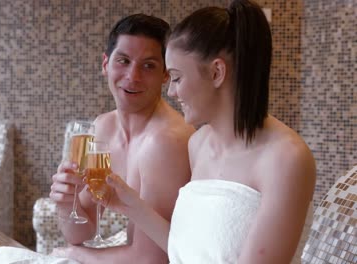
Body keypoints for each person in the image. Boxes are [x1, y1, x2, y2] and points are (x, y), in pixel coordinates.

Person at [97, 1, 316, 263]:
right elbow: (189, 251)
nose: (171, 92)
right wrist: (128, 204)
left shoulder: (285, 158)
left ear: (216, 72)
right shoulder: (198, 144)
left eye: (177, 78)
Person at [48, 14, 194, 263]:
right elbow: (80, 231)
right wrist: (65, 202)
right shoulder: (103, 127)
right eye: (123, 61)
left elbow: (153, 259)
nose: (133, 76)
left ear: (165, 75)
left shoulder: (166, 141)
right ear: (106, 64)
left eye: (148, 65)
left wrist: (76, 254)